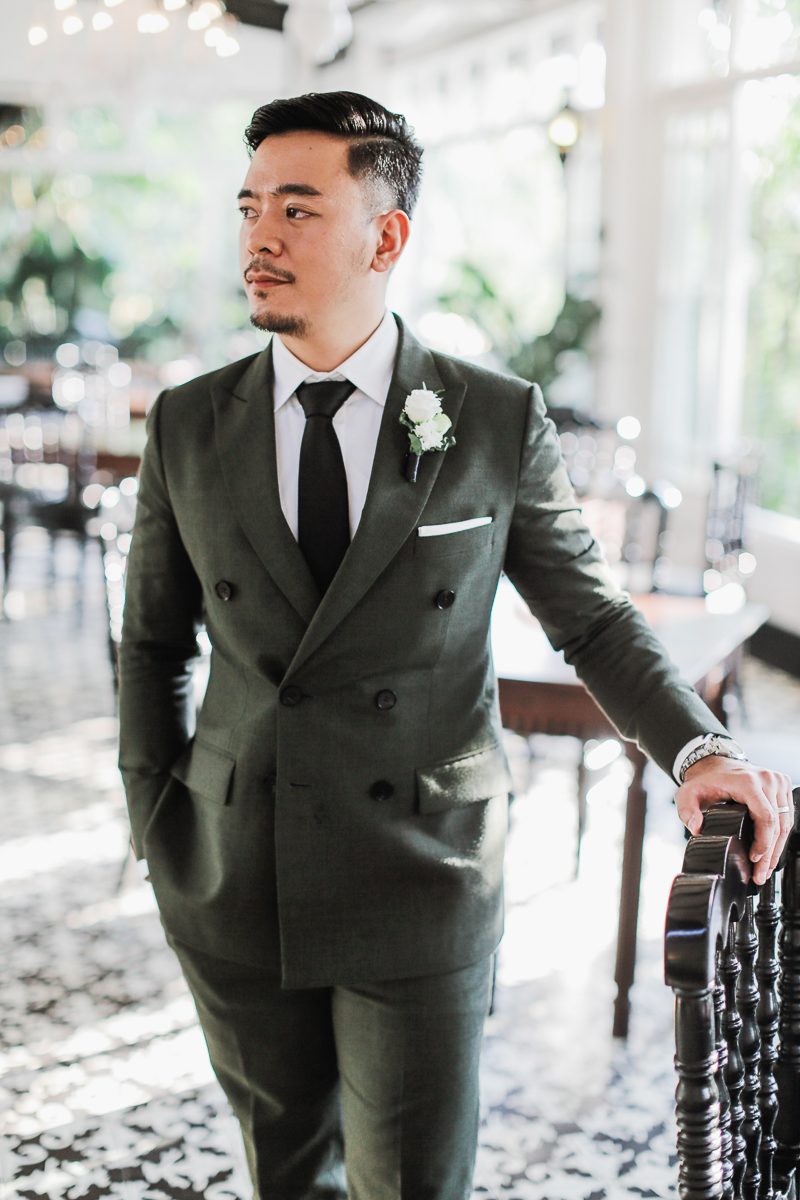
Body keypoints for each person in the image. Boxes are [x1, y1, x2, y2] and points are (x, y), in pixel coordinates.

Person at [118, 91, 793, 1200]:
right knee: (285, 1172)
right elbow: (151, 644)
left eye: (296, 209)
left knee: (411, 1183)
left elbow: (590, 618)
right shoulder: (188, 422)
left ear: (385, 237)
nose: (258, 238)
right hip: (233, 866)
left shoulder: (490, 416)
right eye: (248, 208)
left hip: (418, 870)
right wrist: (157, 821)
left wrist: (696, 747)